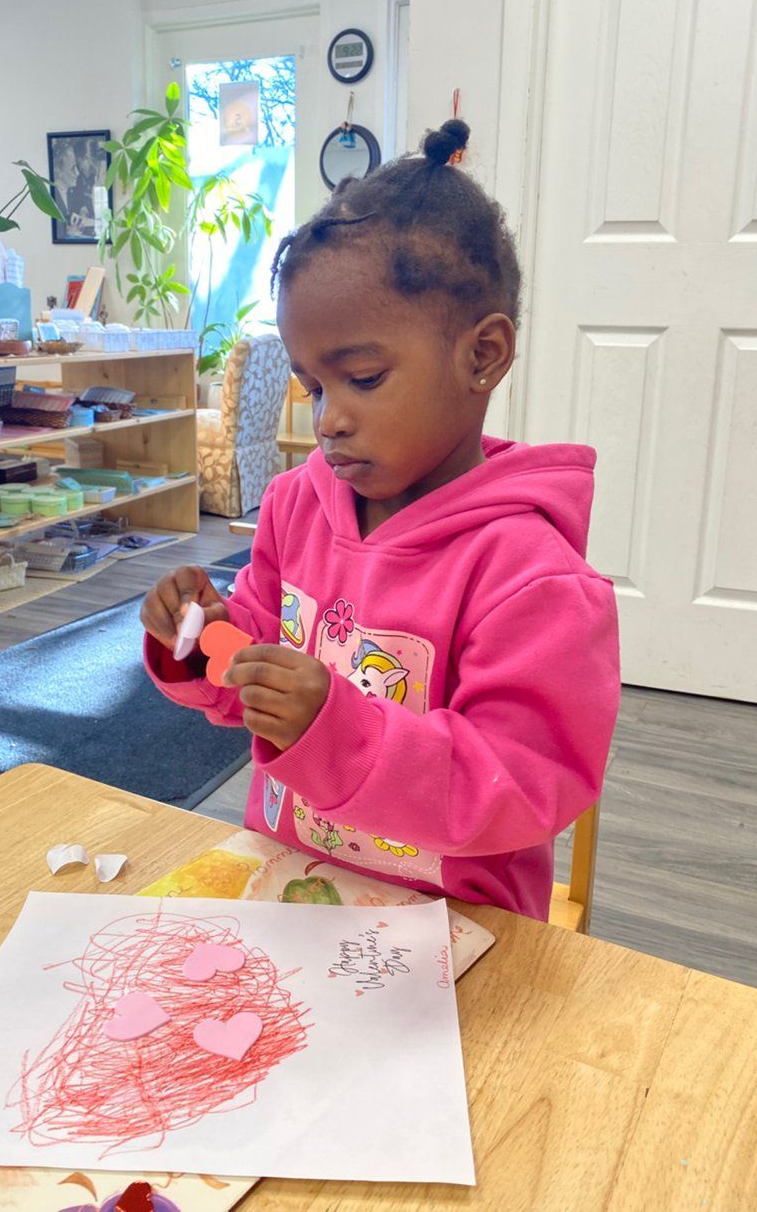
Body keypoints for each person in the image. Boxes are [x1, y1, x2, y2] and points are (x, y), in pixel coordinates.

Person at [141, 119, 620, 919]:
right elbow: (254, 659)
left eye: (362, 377)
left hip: (458, 928)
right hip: (291, 887)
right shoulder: (298, 501)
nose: (328, 418)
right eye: (313, 385)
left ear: (484, 354)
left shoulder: (534, 576)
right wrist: (201, 639)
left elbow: (525, 786)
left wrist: (336, 728)